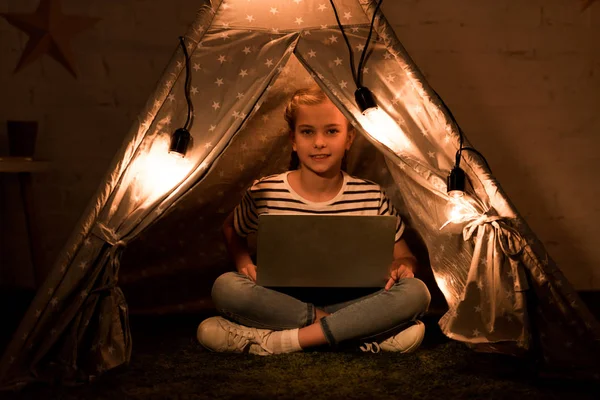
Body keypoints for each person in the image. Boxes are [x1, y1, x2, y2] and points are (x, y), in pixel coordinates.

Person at [197, 86, 431, 355]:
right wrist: (243, 263)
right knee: (226, 287)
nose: (319, 142)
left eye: (331, 131)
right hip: (282, 302)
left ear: (349, 138)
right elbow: (231, 228)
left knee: (416, 292)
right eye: (308, 132)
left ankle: (277, 341)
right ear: (293, 140)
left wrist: (403, 266)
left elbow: (405, 256)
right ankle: (361, 333)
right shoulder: (266, 191)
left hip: (354, 301)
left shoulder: (371, 195)